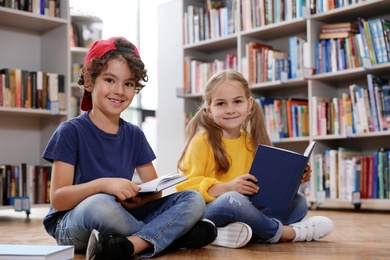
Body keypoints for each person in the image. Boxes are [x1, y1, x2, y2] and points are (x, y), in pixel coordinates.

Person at [42, 36, 217, 259]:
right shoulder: (70, 131)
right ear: (88, 81)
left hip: (123, 215)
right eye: (109, 80)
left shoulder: (134, 134)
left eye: (128, 84)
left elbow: (155, 191)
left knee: (193, 199)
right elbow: (58, 198)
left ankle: (131, 244)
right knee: (101, 204)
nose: (119, 91)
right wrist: (103, 185)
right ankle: (172, 237)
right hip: (73, 223)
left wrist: (138, 199)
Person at [175, 69, 333, 249]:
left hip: (248, 209)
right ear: (209, 110)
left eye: (237, 102)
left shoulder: (253, 142)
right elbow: (185, 187)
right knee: (233, 200)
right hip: (211, 211)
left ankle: (229, 233)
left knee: (299, 202)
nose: (230, 110)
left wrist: (296, 179)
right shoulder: (202, 141)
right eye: (221, 104)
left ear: (249, 104)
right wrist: (228, 187)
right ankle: (286, 233)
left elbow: (265, 189)